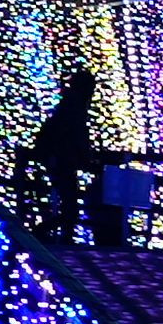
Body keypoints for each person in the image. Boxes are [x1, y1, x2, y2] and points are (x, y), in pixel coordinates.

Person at [23, 68, 102, 241]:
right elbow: (74, 135)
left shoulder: (69, 104)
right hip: (63, 161)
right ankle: (44, 234)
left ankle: (54, 235)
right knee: (70, 206)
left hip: (62, 160)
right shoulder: (74, 107)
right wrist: (86, 158)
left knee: (69, 205)